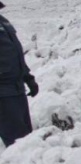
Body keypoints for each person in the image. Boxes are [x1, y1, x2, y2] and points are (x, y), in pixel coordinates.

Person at [0, 1, 39, 147]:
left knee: (26, 138)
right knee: (18, 145)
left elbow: (15, 54)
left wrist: (28, 78)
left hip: (17, 90)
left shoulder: (4, 22)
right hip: (3, 93)